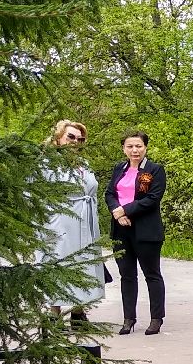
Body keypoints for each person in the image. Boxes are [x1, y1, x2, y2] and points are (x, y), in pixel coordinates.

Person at [105, 130, 166, 336]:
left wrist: (126, 209)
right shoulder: (118, 169)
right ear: (124, 148)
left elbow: (152, 198)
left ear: (145, 147)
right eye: (130, 146)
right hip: (121, 229)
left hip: (146, 231)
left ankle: (156, 318)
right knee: (127, 275)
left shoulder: (154, 170)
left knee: (152, 274)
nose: (134, 150)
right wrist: (117, 212)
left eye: (138, 146)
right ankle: (128, 318)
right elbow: (110, 194)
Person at [43, 120, 105, 316]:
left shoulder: (83, 164)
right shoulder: (46, 161)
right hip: (59, 220)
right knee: (58, 262)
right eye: (71, 136)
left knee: (83, 262)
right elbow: (33, 194)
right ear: (58, 137)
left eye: (80, 139)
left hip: (85, 220)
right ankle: (53, 314)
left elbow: (91, 190)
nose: (75, 141)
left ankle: (78, 310)